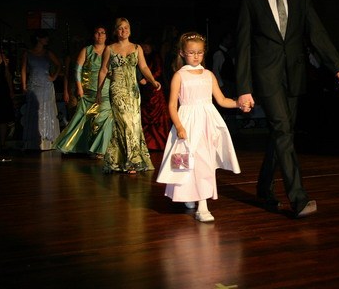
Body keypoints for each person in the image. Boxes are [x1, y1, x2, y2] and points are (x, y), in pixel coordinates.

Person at [235, 0, 339, 218]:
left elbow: (316, 31)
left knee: (282, 133)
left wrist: (336, 66)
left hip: (295, 74)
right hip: (267, 76)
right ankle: (298, 199)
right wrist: (244, 88)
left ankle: (264, 187)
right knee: (283, 130)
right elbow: (243, 45)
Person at [156, 32, 241, 222]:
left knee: (204, 163)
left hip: (206, 123)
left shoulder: (208, 75)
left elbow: (221, 100)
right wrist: (179, 126)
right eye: (191, 52)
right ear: (182, 53)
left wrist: (238, 103)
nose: (196, 56)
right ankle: (188, 194)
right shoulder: (179, 76)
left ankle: (202, 205)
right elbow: (172, 105)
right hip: (187, 122)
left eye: (200, 52)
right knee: (184, 162)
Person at [96, 18, 161, 173]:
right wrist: (99, 91)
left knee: (133, 123)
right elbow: (104, 70)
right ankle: (132, 160)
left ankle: (120, 159)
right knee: (125, 122)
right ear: (116, 31)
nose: (123, 31)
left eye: (126, 28)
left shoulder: (137, 48)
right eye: (120, 28)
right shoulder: (110, 48)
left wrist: (152, 81)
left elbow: (143, 67)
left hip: (133, 91)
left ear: (130, 30)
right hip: (117, 90)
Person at [54, 25, 113, 158]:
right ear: (93, 35)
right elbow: (77, 70)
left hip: (105, 90)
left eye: (103, 33)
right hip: (89, 91)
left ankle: (100, 149)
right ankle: (79, 146)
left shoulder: (110, 50)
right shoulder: (87, 50)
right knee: (84, 119)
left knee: (105, 118)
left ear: (106, 36)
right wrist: (79, 88)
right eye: (97, 32)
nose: (100, 35)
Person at [20, 29, 61, 150]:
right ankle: (34, 141)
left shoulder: (48, 53)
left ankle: (46, 141)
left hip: (46, 85)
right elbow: (23, 69)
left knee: (46, 109)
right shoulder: (28, 53)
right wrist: (23, 85)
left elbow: (59, 65)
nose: (47, 40)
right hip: (34, 85)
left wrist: (53, 77)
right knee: (34, 111)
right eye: (45, 37)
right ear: (38, 38)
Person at [138, 37, 171, 150]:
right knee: (145, 117)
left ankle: (159, 143)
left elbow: (158, 71)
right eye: (143, 46)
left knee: (157, 117)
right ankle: (147, 143)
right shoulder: (141, 58)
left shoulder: (155, 57)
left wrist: (148, 80)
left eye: (147, 46)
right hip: (144, 90)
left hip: (155, 89)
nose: (145, 48)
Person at [0, 47, 15, 155]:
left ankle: (2, 144)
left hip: (1, 90)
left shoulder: (2, 57)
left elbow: (7, 75)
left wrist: (11, 90)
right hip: (1, 90)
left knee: (3, 118)